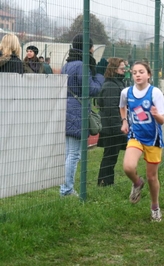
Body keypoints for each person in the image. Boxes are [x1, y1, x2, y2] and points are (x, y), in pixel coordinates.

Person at [119, 61, 164, 222]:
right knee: (128, 167)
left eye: (141, 72)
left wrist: (156, 115)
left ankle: (155, 207)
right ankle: (137, 183)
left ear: (149, 74)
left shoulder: (155, 93)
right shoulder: (126, 92)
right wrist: (125, 121)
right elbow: (122, 106)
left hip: (153, 139)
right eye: (134, 72)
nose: (138, 75)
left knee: (152, 177)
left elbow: (162, 121)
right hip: (136, 135)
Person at [60, 33, 105, 196]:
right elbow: (91, 89)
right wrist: (100, 75)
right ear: (87, 48)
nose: (93, 49)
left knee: (68, 152)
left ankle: (64, 188)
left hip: (66, 109)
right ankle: (66, 190)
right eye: (91, 46)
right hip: (77, 112)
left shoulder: (67, 65)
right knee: (74, 154)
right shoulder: (82, 65)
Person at [96, 57, 128, 186]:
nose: (124, 70)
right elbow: (112, 110)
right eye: (121, 68)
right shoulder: (110, 85)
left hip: (115, 126)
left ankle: (107, 181)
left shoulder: (118, 83)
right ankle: (104, 182)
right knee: (109, 156)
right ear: (114, 69)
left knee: (112, 156)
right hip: (111, 128)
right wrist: (118, 129)